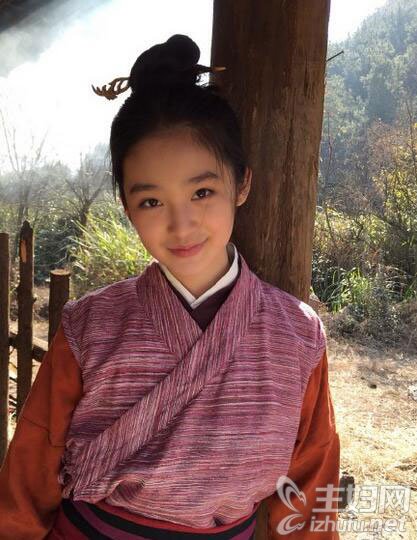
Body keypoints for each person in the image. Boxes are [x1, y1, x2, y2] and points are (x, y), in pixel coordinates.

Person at [0, 34, 340, 539]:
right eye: (151, 202)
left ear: (242, 183)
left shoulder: (298, 335)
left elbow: (311, 482)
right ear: (126, 205)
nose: (181, 226)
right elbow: (30, 474)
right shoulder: (90, 327)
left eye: (202, 191)